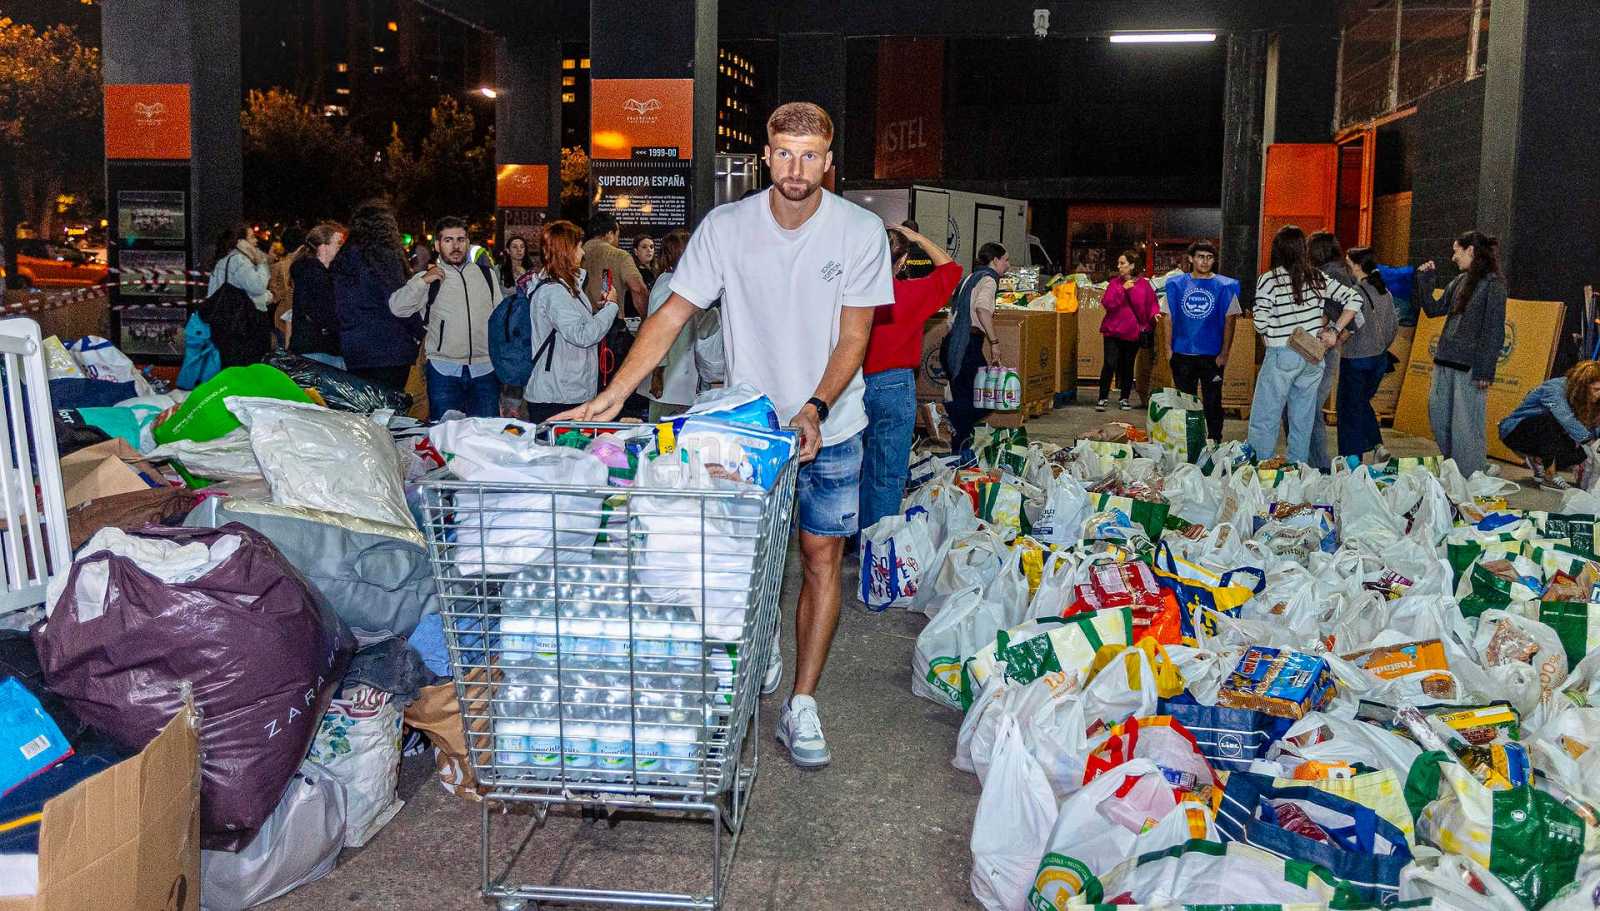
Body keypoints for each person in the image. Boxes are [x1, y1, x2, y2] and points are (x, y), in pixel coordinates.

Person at [554, 101, 895, 769]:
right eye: (784, 154)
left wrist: (816, 408)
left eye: (810, 156)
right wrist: (613, 393)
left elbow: (855, 335)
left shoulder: (859, 232)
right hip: (749, 431)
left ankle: (801, 703)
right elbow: (672, 313)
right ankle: (761, 636)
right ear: (766, 157)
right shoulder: (727, 228)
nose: (796, 168)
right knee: (743, 563)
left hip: (834, 422)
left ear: (828, 163)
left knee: (821, 559)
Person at [859, 223, 961, 532]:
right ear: (902, 262)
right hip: (893, 385)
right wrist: (917, 237)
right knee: (887, 470)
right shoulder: (911, 293)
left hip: (849, 384)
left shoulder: (850, 295)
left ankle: (845, 536)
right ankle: (876, 540)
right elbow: (951, 270)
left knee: (850, 466)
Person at [1246, 225, 1364, 464]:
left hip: (1281, 353)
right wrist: (1334, 330)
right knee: (1303, 420)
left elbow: (1260, 323)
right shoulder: (1317, 277)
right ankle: (1298, 473)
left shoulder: (1269, 280)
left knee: (1265, 419)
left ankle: (1259, 473)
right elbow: (1355, 298)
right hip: (1312, 355)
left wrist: (1265, 324)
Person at [387, 216, 504, 419]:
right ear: (437, 245)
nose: (456, 246)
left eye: (461, 239)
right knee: (444, 436)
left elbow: (499, 318)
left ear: (468, 242)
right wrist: (423, 281)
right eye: (448, 240)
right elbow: (397, 307)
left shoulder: (486, 275)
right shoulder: (430, 278)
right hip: (443, 371)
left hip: (485, 370)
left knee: (486, 438)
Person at [1415, 231, 1506, 476]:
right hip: (1444, 360)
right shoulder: (1459, 282)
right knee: (1440, 418)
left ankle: (1473, 474)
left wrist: (1486, 369)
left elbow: (1494, 330)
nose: (1453, 257)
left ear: (1471, 251)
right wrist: (1426, 281)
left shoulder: (1493, 285)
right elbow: (1433, 310)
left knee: (1466, 426)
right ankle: (1455, 469)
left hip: (1469, 367)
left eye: (1457, 250)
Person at [523, 220, 621, 424]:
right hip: (557, 396)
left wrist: (601, 311)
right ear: (565, 251)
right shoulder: (555, 292)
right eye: (578, 247)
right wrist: (611, 307)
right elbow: (583, 335)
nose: (583, 253)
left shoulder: (567, 287)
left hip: (568, 390)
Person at [331, 199, 420, 391]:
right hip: (389, 346)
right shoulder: (384, 256)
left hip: (355, 348)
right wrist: (420, 332)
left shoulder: (343, 258)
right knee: (389, 408)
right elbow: (399, 301)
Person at [1162, 241, 1240, 443]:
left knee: (1213, 402)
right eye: (1200, 256)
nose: (1205, 261)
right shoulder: (1175, 285)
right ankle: (1187, 442)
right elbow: (1167, 317)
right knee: (1185, 403)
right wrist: (1168, 349)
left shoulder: (1226, 286)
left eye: (1209, 257)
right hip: (1182, 354)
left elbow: (1230, 320)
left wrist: (1225, 353)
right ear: (1191, 258)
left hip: (1211, 357)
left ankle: (1214, 441)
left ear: (1214, 260)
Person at [640, 230, 720, 423]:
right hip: (670, 381)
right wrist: (658, 374)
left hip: (679, 379)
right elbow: (657, 332)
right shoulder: (669, 285)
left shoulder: (676, 282)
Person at [1304, 232, 1366, 470]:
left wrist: (1333, 332)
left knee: (1308, 407)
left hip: (1322, 349)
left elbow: (1354, 316)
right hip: (1328, 348)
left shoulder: (1330, 273)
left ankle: (1317, 464)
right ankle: (1315, 463)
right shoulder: (1339, 271)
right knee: (1308, 407)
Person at [1334, 247, 1399, 461]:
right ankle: (1377, 444)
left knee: (1349, 410)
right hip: (1379, 359)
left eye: (1348, 261)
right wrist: (1380, 346)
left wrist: (1337, 337)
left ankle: (1354, 460)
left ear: (1357, 265)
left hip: (1355, 359)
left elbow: (1352, 324)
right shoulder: (1385, 292)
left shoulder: (1355, 293)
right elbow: (1393, 326)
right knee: (1360, 402)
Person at [943, 243, 1008, 453]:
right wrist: (995, 342)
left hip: (953, 344)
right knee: (986, 400)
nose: (1008, 265)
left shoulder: (970, 278)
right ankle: (946, 413)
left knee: (964, 397)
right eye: (1005, 260)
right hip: (967, 346)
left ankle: (960, 453)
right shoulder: (989, 280)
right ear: (995, 260)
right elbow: (982, 309)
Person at [1500, 360, 1600, 491]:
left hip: (1544, 436)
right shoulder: (1555, 388)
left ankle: (1538, 460)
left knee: (1581, 454)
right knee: (1550, 419)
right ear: (1582, 386)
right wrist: (1591, 442)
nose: (1598, 395)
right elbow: (1565, 417)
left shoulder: (1586, 397)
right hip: (1515, 431)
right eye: (1596, 389)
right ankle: (1549, 476)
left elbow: (1593, 425)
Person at [203, 223, 274, 366]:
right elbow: (257, 287)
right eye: (252, 237)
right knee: (248, 368)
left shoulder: (224, 260)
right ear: (241, 242)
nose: (256, 241)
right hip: (242, 328)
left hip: (225, 325)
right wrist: (261, 262)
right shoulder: (239, 261)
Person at [1097, 250, 1158, 412]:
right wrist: (1122, 290)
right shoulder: (1115, 284)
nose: (1119, 266)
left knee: (1127, 365)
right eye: (1119, 263)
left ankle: (1124, 397)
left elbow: (1151, 304)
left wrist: (1155, 316)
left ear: (1132, 265)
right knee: (1110, 363)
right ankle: (1103, 397)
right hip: (1113, 331)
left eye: (1122, 263)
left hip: (1133, 333)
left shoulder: (1144, 285)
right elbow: (1108, 304)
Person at [288, 222, 346, 369]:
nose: (341, 248)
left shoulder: (313, 272)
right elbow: (326, 313)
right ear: (323, 247)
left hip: (315, 348)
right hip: (319, 350)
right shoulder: (315, 275)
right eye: (338, 244)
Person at [582, 213, 650, 320]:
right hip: (610, 325)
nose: (618, 240)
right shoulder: (619, 256)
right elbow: (638, 289)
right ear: (610, 234)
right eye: (618, 235)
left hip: (579, 323)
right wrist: (646, 318)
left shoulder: (575, 255)